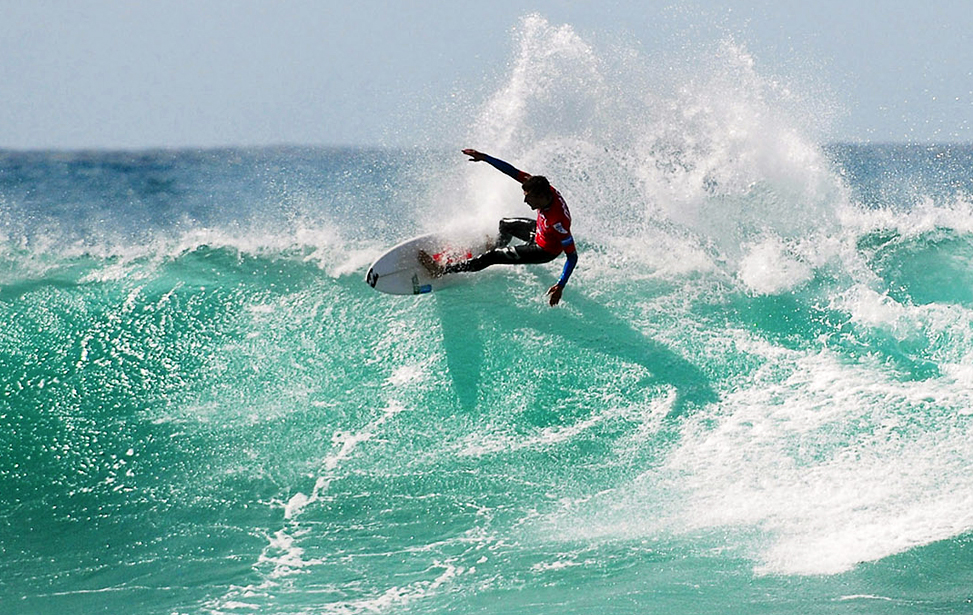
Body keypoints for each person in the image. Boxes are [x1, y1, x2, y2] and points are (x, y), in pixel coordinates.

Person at [419, 149, 578, 307]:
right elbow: (512, 172)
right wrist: (485, 158)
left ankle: (440, 270)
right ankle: (497, 247)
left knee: (492, 257)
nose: (525, 201)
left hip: (543, 250)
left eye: (528, 198)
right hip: (539, 231)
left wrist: (561, 285)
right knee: (504, 224)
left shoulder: (559, 223)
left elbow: (572, 257)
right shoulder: (542, 187)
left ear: (541, 197)